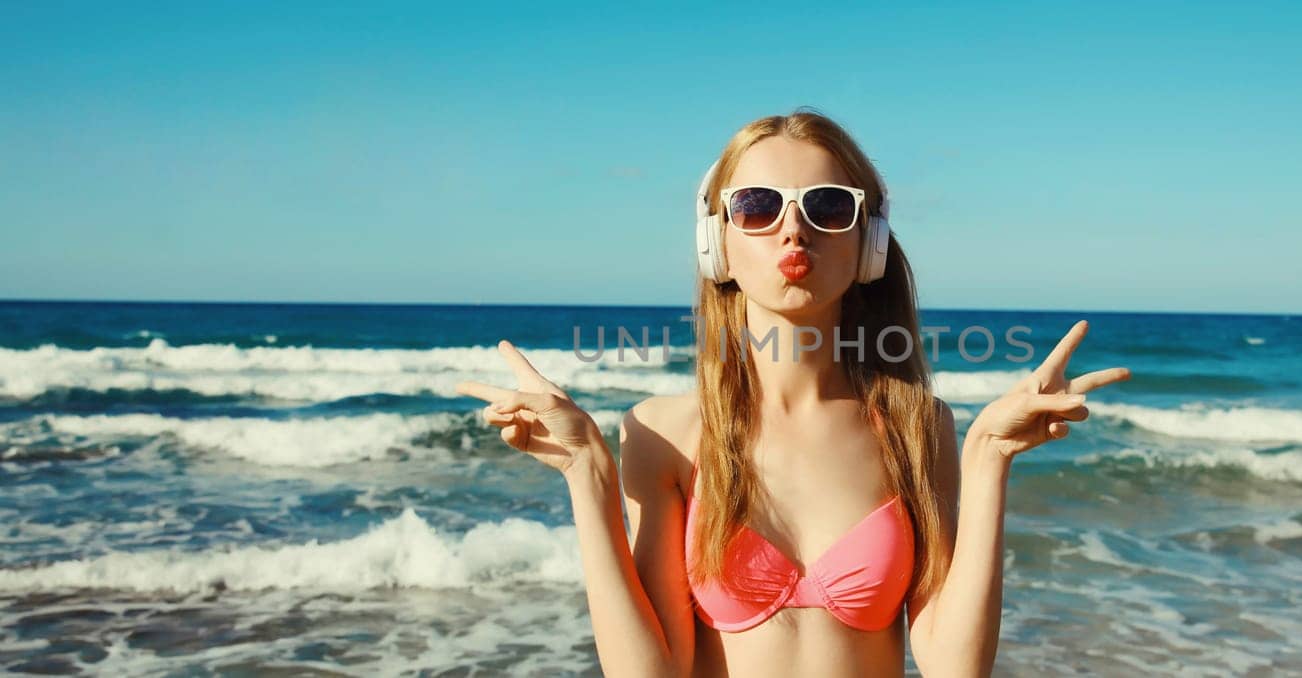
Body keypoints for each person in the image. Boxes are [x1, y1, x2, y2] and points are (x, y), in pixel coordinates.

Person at [456, 109, 1130, 677]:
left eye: (829, 206)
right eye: (756, 206)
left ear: (870, 242)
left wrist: (987, 457)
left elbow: (953, 666)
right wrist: (588, 474)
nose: (792, 228)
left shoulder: (916, 426)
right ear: (715, 243)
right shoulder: (662, 434)